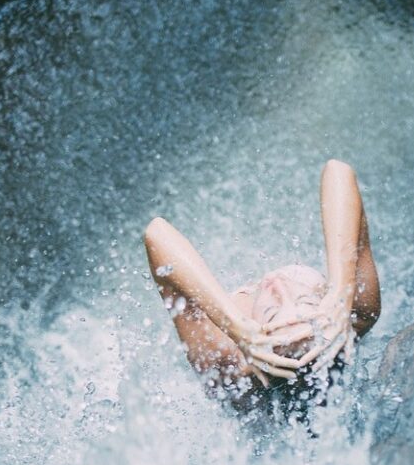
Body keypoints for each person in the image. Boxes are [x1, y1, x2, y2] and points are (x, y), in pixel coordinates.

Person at [144, 159, 380, 389]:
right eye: (305, 299)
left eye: (270, 311)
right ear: (331, 311)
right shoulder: (355, 316)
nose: (278, 285)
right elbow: (338, 171)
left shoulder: (225, 363)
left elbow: (157, 233)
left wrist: (234, 326)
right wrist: (341, 290)